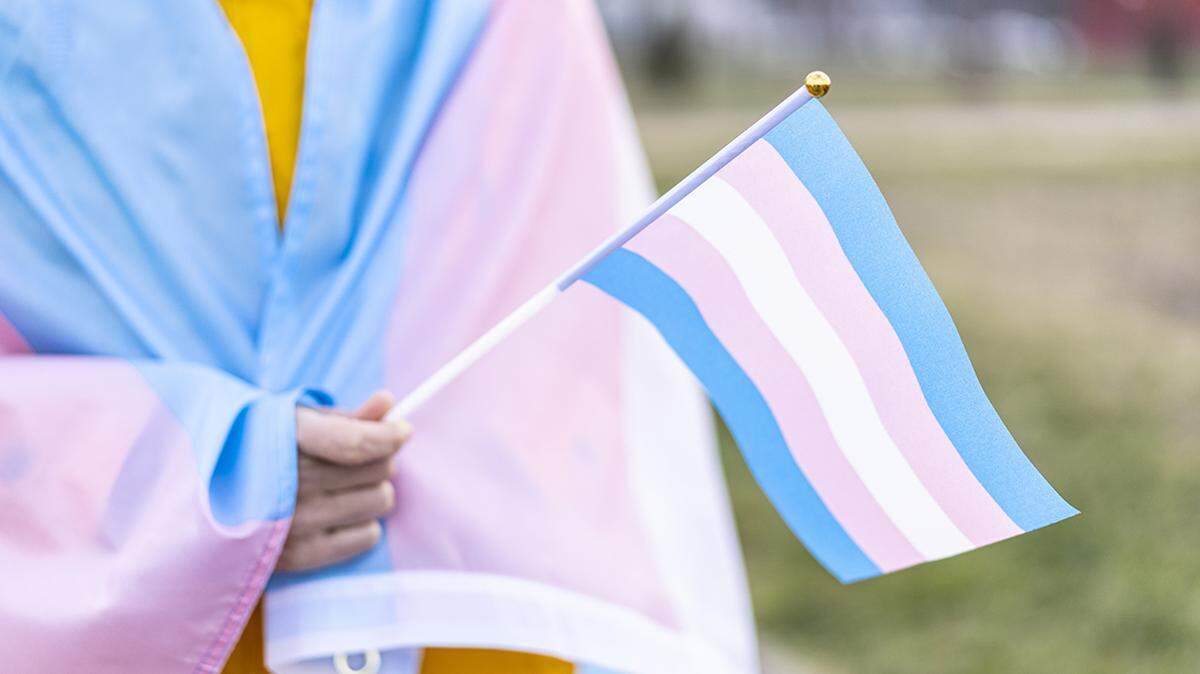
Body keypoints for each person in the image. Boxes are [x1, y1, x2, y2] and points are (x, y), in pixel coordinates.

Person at [0, 1, 758, 672]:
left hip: (462, 619)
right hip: (130, 630)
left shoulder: (509, 21)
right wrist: (209, 478)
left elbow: (573, 317)